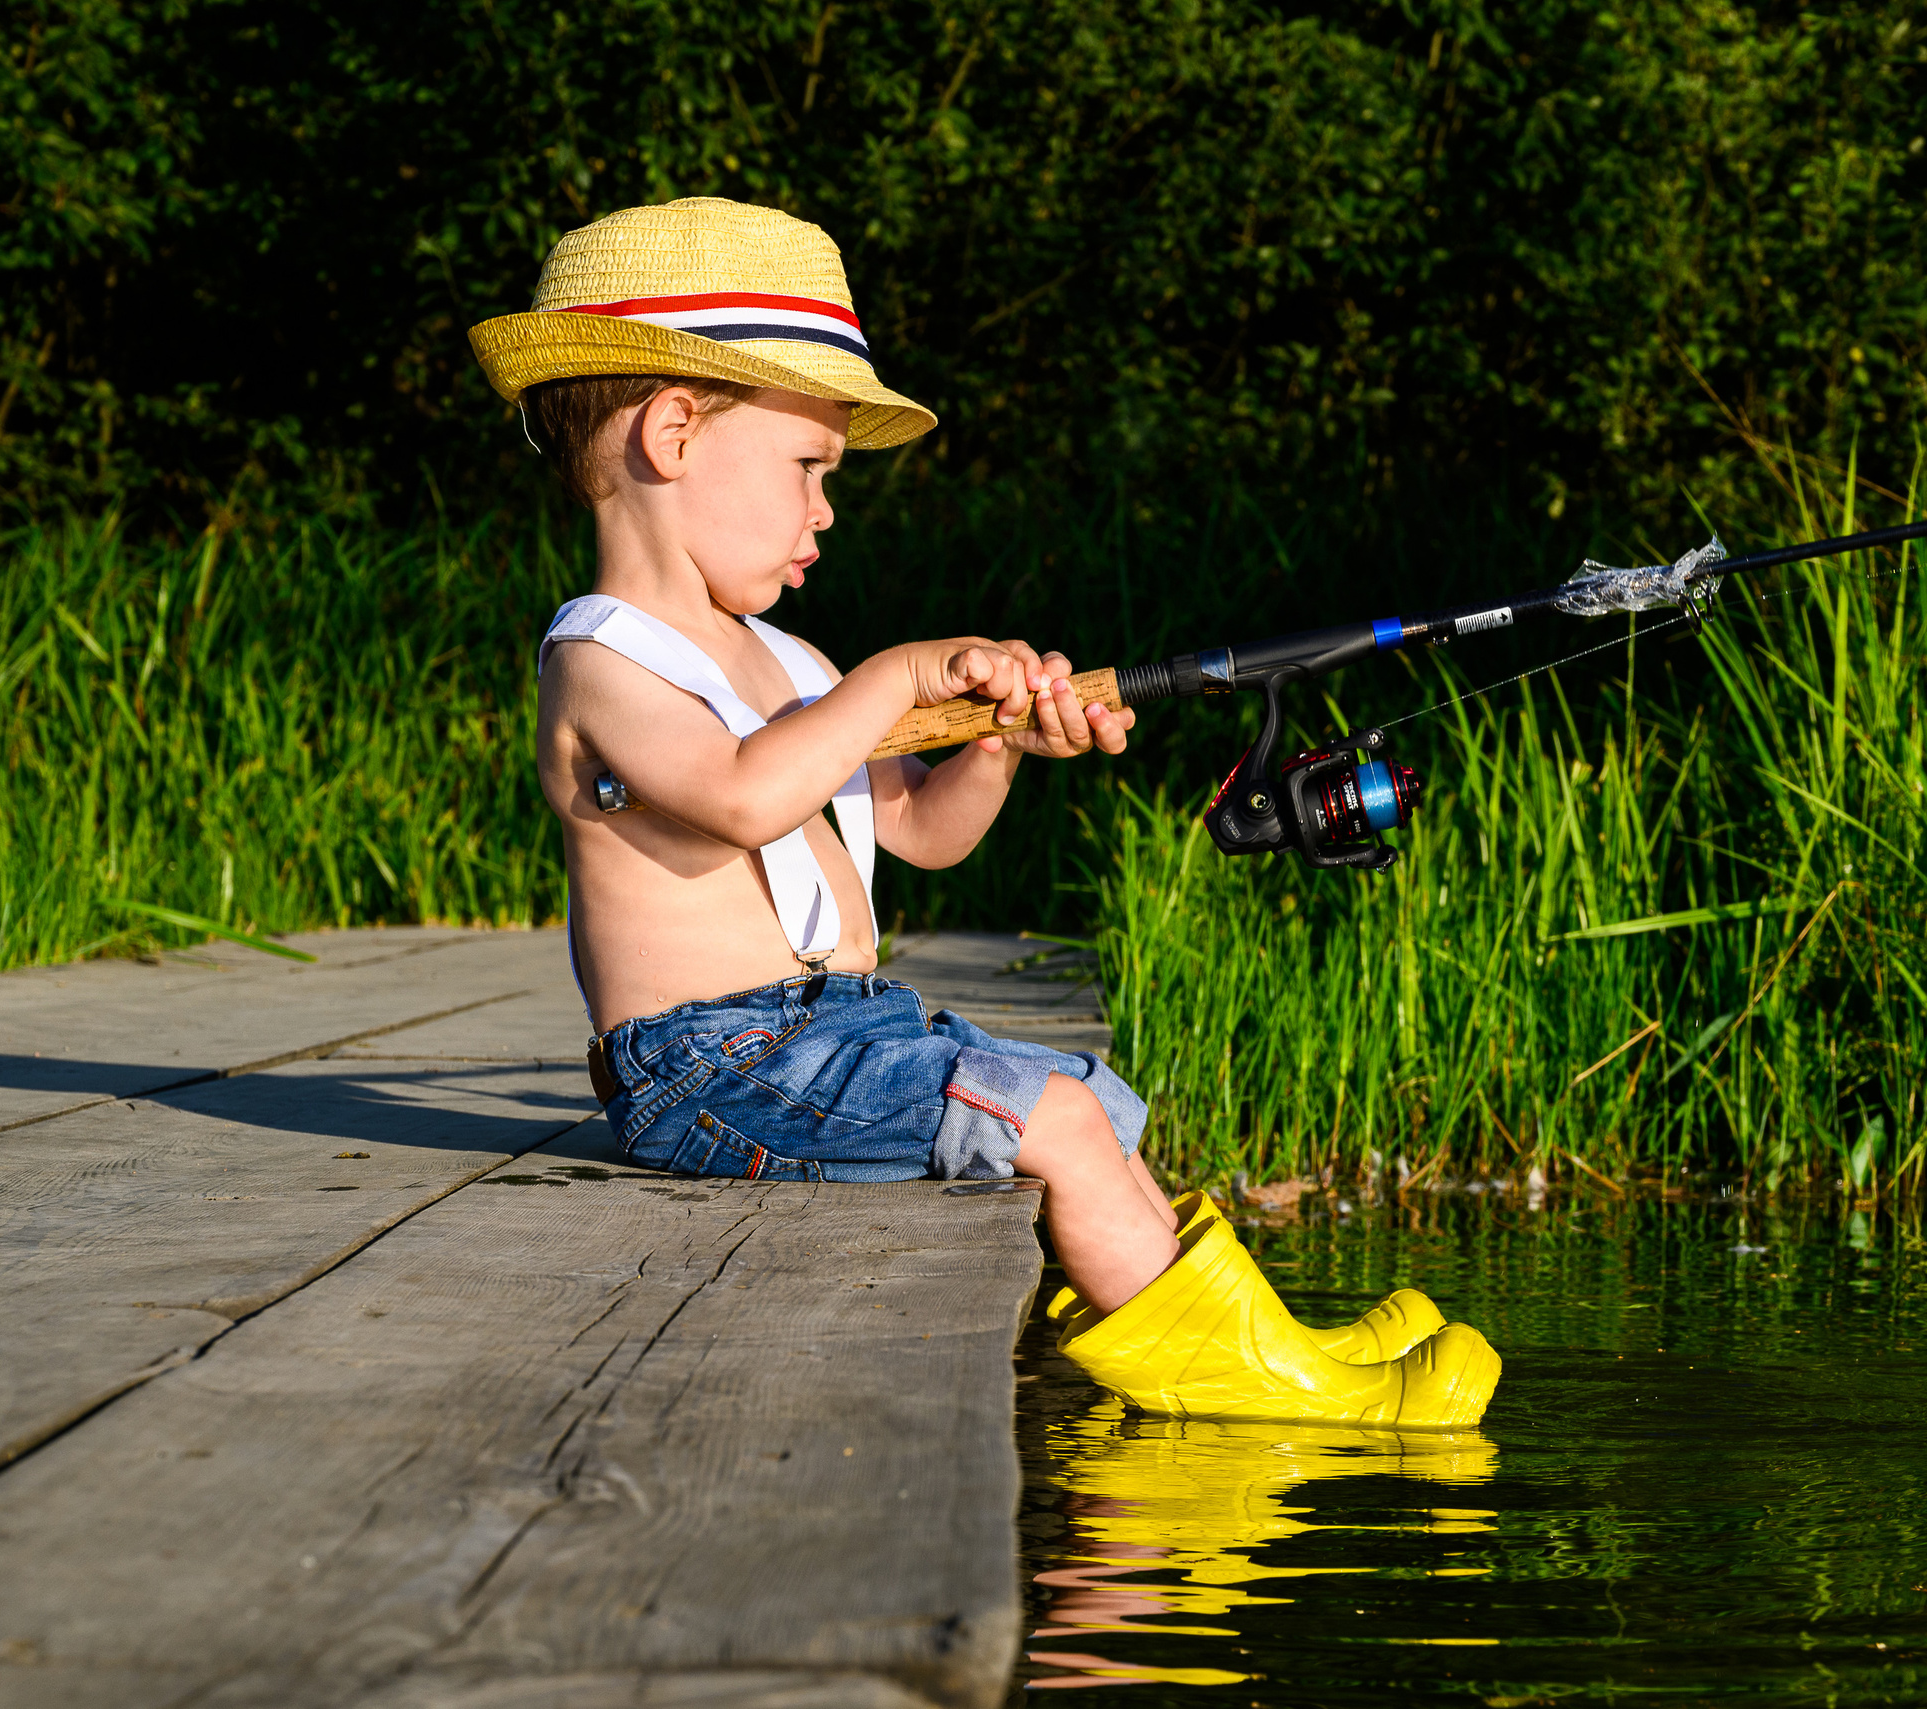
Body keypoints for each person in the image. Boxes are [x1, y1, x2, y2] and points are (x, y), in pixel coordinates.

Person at [468, 197, 1496, 1428]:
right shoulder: (602, 662)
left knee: (1081, 1094)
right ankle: (1261, 1395)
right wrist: (899, 676)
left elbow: (916, 830)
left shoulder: (787, 664)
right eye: (810, 471)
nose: (825, 514)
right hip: (707, 1073)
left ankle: (1258, 1342)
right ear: (674, 432)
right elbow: (746, 799)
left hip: (828, 1032)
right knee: (1044, 1112)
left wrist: (996, 739)